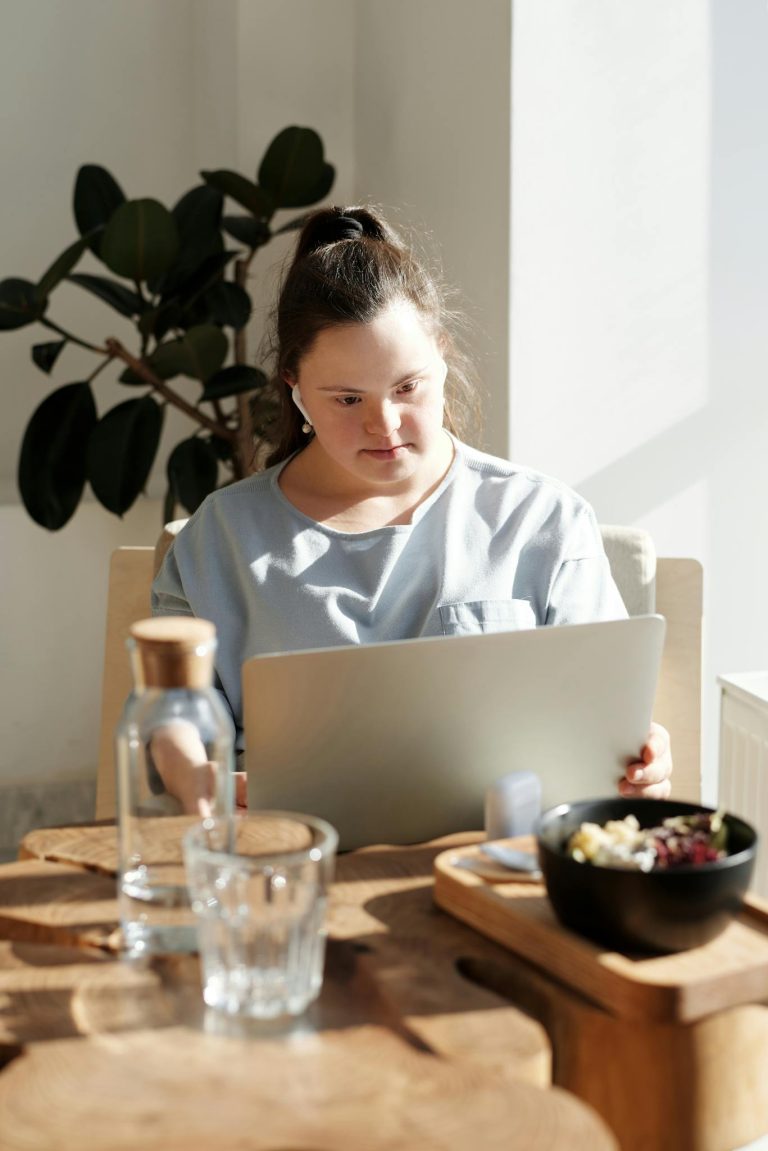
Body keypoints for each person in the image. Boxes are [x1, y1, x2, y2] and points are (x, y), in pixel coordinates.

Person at [151, 205, 673, 813]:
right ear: (293, 383)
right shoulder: (222, 537)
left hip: (496, 865)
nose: (385, 424)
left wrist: (642, 760)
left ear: (442, 355)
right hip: (290, 857)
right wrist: (196, 778)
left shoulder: (542, 520)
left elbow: (604, 712)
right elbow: (172, 713)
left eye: (407, 387)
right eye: (348, 398)